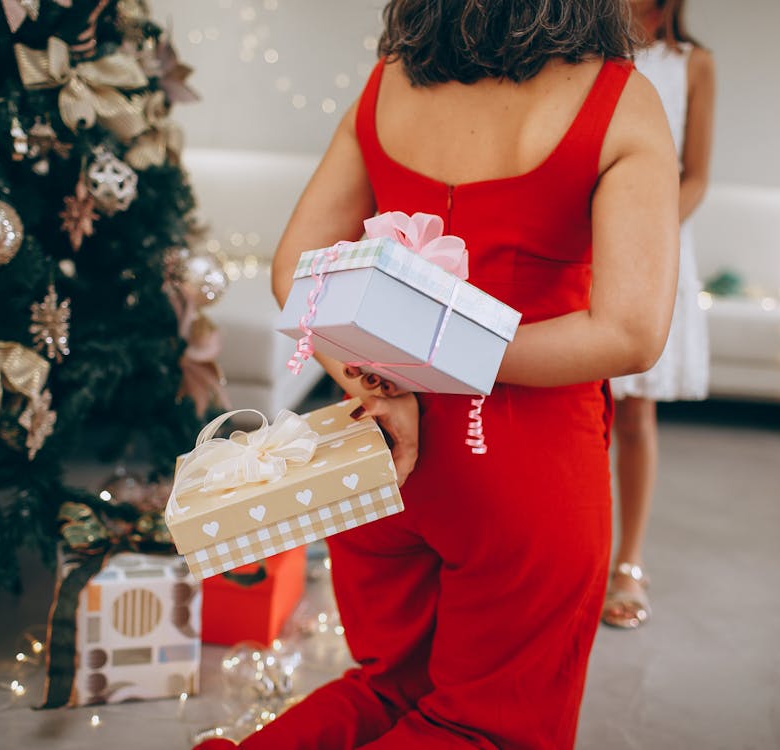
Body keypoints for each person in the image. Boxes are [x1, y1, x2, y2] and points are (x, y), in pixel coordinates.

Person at [195, 1, 679, 747]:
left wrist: (378, 380)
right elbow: (631, 332)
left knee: (387, 690)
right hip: (523, 464)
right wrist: (447, 358)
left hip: (378, 446)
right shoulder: (619, 97)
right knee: (488, 729)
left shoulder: (389, 79)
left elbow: (296, 270)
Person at [602, 0, 715, 631]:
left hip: (657, 242)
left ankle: (630, 562)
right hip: (587, 238)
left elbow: (697, 174)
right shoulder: (584, 44)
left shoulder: (693, 64)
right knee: (579, 406)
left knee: (636, 409)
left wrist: (646, 227)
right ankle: (580, 554)